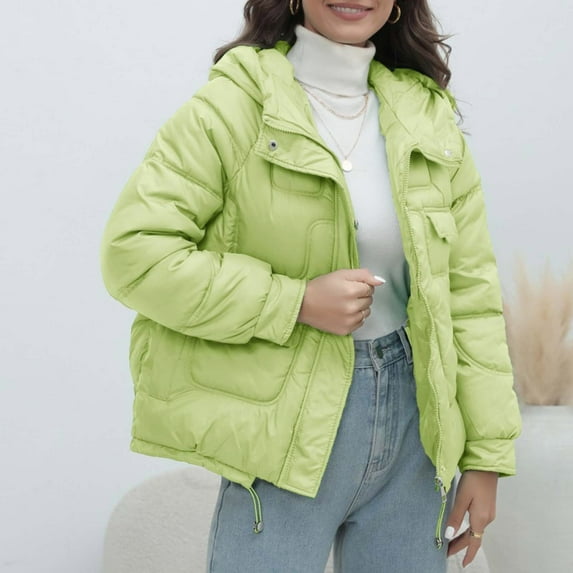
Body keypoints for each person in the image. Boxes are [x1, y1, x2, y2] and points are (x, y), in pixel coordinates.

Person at [100, 1, 522, 571]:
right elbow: (135, 253)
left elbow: (470, 298)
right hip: (283, 423)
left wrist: (485, 457)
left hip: (418, 429)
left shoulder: (428, 118)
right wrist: (293, 301)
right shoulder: (232, 109)